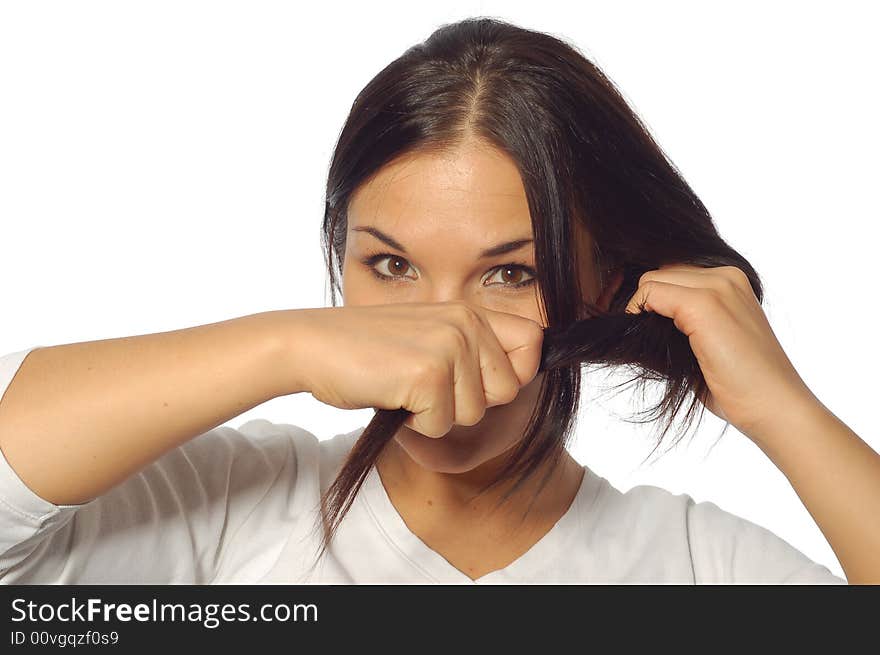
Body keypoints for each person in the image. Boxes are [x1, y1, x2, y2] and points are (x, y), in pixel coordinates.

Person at [0, 17, 874, 585]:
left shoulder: (697, 567)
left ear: (603, 288)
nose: (440, 329)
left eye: (509, 274)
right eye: (390, 266)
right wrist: (283, 348)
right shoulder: (229, 502)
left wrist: (784, 409)